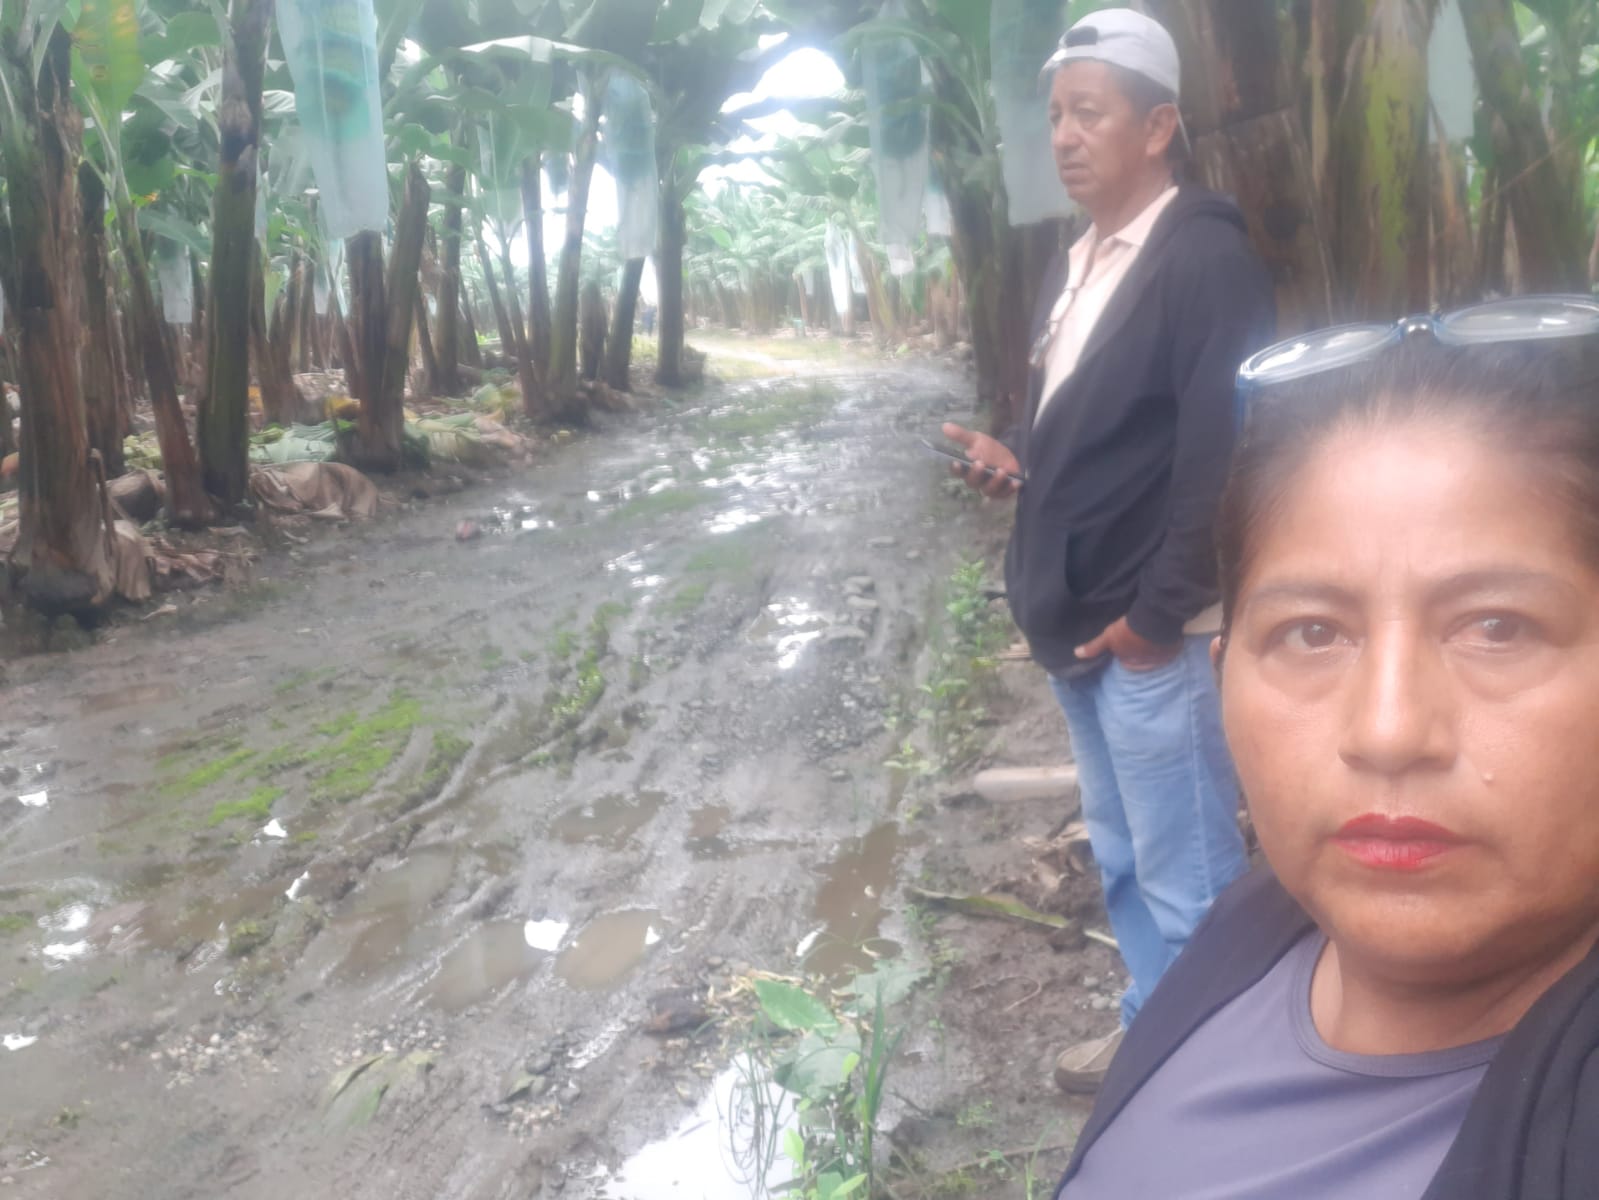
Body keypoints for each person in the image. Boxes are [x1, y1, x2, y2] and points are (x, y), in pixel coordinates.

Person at [1055, 296, 1599, 1199]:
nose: (1386, 731)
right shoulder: (1257, 925)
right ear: (1223, 680)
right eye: (1311, 633)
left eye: (1496, 627)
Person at [944, 8, 1275, 1090]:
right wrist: (1016, 459)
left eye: (1089, 113)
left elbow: (1224, 452)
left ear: (1158, 126)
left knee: (1189, 873)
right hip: (1078, 619)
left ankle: (1212, 1084)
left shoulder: (1204, 260)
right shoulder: (1080, 261)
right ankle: (1153, 1037)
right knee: (1127, 857)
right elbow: (1087, 429)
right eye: (1056, 116)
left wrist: (1157, 616)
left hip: (1148, 632)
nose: (1065, 136)